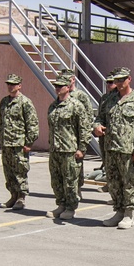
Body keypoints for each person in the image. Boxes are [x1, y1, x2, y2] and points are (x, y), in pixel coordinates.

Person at [93, 67, 134, 229]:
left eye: (122, 79)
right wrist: (97, 126)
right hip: (110, 149)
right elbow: (100, 118)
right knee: (113, 182)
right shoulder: (109, 100)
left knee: (128, 183)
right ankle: (118, 211)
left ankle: (128, 214)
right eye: (116, 80)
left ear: (129, 79)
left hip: (128, 150)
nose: (119, 83)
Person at [46, 70, 93, 219]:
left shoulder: (76, 105)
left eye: (61, 86)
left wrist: (82, 148)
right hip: (55, 150)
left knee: (70, 181)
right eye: (56, 86)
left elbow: (84, 128)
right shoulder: (53, 106)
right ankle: (61, 204)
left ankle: (71, 207)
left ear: (68, 87)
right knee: (56, 180)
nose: (58, 88)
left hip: (69, 150)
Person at [0, 73, 40, 209]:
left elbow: (32, 123)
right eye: (8, 84)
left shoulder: (25, 102)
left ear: (19, 86)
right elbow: (1, 122)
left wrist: (29, 143)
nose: (10, 86)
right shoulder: (4, 102)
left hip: (19, 144)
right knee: (8, 171)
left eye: (13, 84)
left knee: (20, 171)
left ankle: (21, 197)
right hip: (7, 143)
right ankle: (13, 196)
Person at [64, 70, 96, 190]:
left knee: (77, 165)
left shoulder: (81, 95)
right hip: (65, 137)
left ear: (73, 79)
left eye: (68, 79)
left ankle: (78, 188)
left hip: (77, 136)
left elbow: (87, 116)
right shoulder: (62, 95)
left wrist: (85, 137)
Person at [95, 70, 120, 195]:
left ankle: (115, 188)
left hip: (116, 136)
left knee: (116, 164)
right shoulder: (104, 98)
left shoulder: (119, 97)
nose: (109, 84)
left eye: (111, 82)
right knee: (106, 161)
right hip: (104, 134)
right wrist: (97, 125)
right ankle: (109, 183)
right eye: (107, 82)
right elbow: (100, 115)